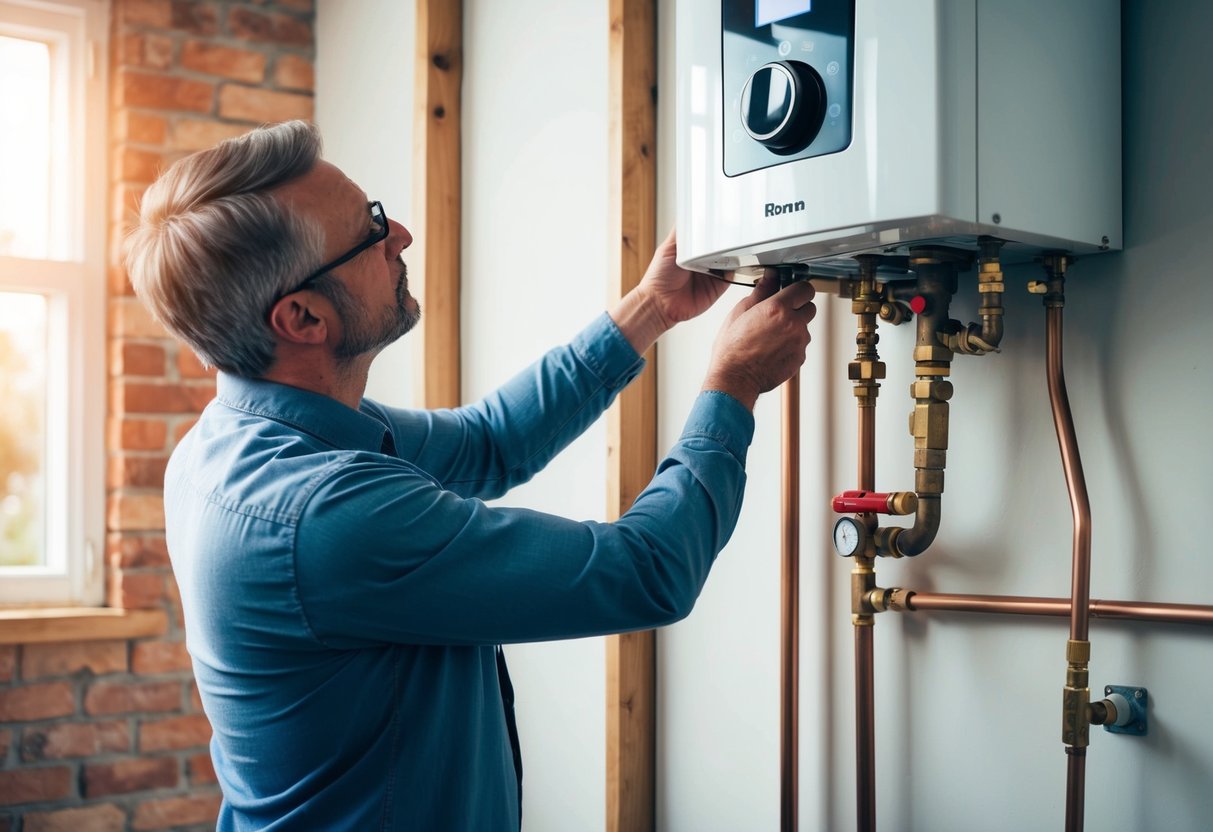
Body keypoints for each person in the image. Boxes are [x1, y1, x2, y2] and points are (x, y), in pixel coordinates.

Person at [124, 119, 816, 831]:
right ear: (303, 318)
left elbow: (488, 443)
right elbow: (645, 573)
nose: (401, 234)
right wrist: (734, 384)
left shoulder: (242, 439)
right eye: (370, 231)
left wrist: (651, 307)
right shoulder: (323, 513)